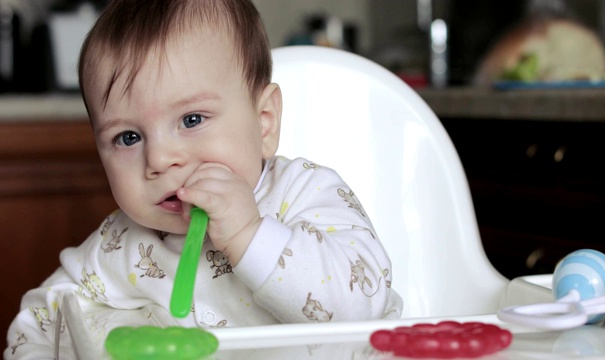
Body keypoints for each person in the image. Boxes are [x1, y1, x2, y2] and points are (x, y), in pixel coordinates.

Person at [5, 0, 402, 358]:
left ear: (264, 124)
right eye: (129, 137)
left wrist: (250, 235)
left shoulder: (304, 193)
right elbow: (43, 317)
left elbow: (361, 308)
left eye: (191, 120)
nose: (159, 159)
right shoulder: (122, 242)